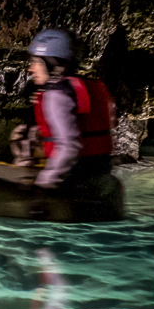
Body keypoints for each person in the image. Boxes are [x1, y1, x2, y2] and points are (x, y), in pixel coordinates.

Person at [25, 29, 115, 189]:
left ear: (51, 63)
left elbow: (69, 146)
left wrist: (45, 182)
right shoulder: (95, 86)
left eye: (36, 62)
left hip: (72, 180)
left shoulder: (56, 95)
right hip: (101, 176)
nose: (31, 69)